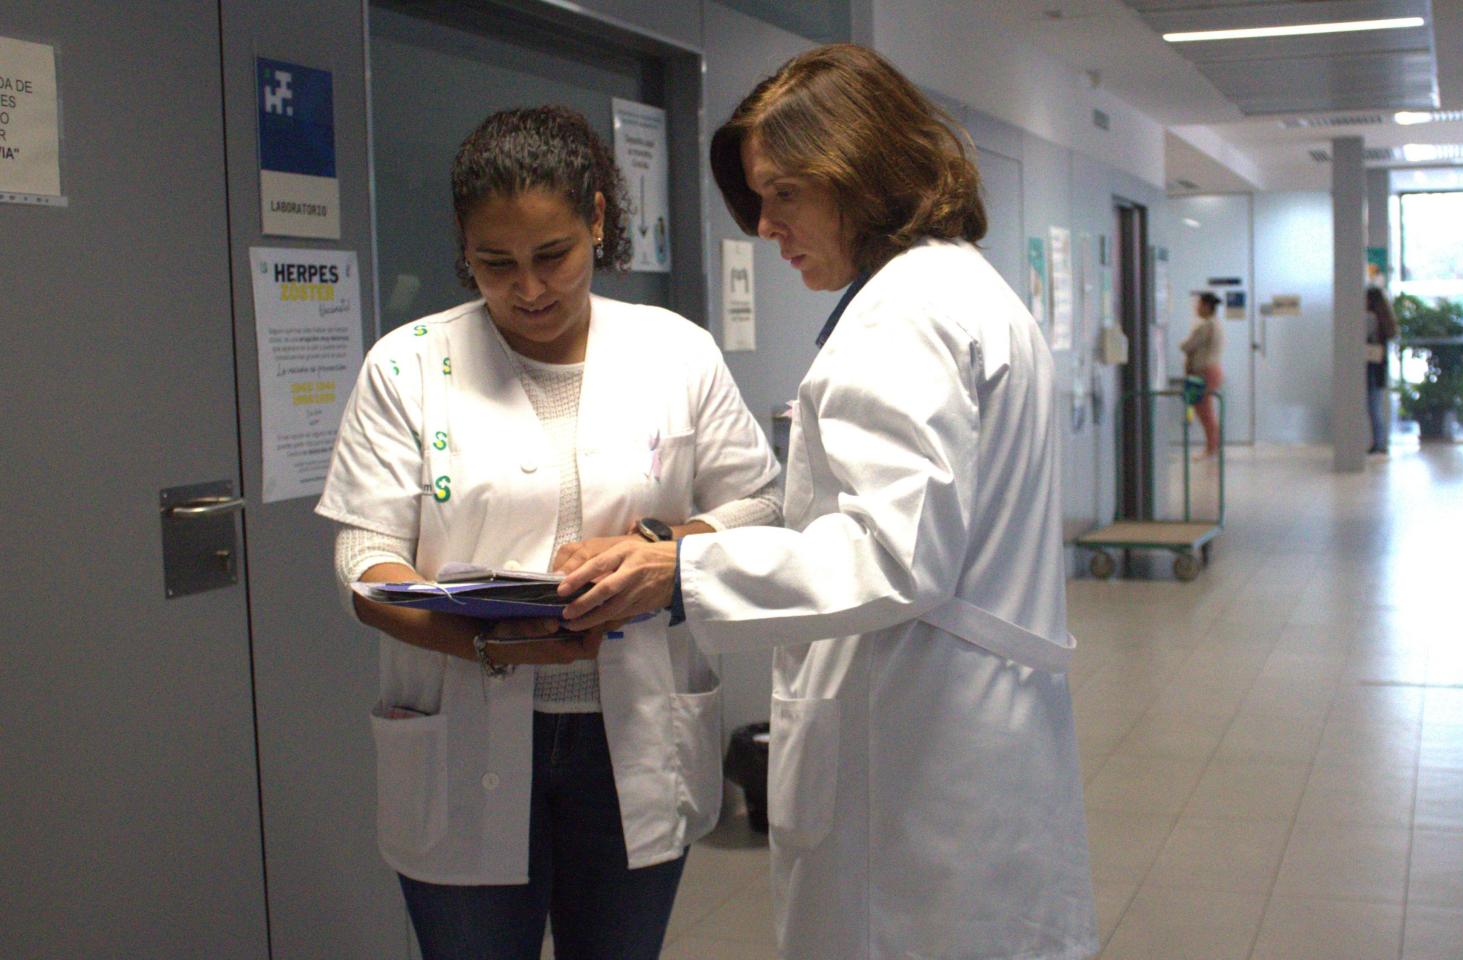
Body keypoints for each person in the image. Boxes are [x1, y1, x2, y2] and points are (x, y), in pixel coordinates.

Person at [549, 44, 1097, 960]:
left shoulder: (904, 318)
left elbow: (894, 556)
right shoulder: (966, 290)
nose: (765, 225)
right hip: (966, 733)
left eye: (786, 193)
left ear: (864, 171)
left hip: (917, 759)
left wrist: (675, 568)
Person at [314, 105, 782, 960]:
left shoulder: (677, 352)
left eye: (552, 256)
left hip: (631, 737)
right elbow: (361, 560)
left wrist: (662, 550)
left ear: (599, 220)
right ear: (465, 246)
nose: (528, 289)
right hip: (461, 728)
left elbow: (760, 503)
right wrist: (486, 639)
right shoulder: (407, 365)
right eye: (495, 264)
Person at [1179, 291, 1224, 458]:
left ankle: (1211, 448)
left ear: (1206, 306)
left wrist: (1184, 343)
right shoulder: (1214, 324)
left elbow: (1187, 346)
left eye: (1198, 304)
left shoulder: (1206, 326)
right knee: (1205, 411)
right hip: (1210, 370)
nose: (1196, 308)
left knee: (1205, 411)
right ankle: (1213, 446)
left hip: (1204, 372)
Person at [1366, 285, 1398, 455]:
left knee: (1372, 406)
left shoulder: (1370, 318)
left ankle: (1378, 443)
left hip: (1371, 367)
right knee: (1375, 406)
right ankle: (1380, 442)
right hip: (1379, 367)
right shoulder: (1384, 321)